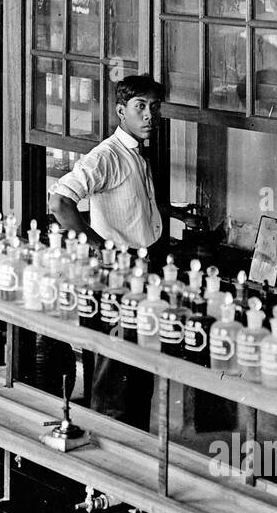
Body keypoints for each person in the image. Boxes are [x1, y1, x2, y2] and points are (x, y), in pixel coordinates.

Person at [47, 75, 192, 430]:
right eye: (140, 107)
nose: (149, 116)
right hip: (118, 274)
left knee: (138, 368)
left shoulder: (137, 154)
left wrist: (172, 214)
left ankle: (134, 446)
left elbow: (134, 205)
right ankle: (109, 454)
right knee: (115, 374)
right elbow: (60, 202)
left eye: (154, 108)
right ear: (120, 111)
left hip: (145, 270)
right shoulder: (107, 156)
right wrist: (97, 246)